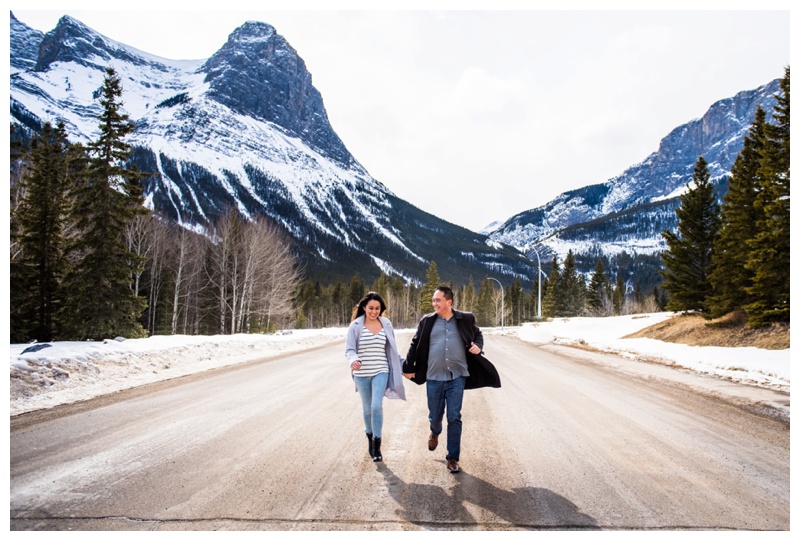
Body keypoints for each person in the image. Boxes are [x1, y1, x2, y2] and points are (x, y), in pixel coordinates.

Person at [403, 285, 500, 473]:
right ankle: (435, 431)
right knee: (435, 415)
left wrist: (478, 346)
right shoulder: (427, 321)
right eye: (433, 300)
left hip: (457, 376)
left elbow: (478, 334)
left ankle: (453, 458)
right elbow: (415, 343)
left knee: (454, 416)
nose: (434, 303)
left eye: (438, 300)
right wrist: (407, 367)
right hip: (433, 377)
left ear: (449, 302)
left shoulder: (465, 318)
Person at [345, 292, 406, 462]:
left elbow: (392, 349)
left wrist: (404, 366)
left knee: (376, 406)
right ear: (364, 307)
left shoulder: (386, 324)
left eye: (377, 308)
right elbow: (349, 350)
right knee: (366, 408)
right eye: (371, 308)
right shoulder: (355, 326)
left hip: (381, 370)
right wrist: (354, 359)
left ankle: (377, 445)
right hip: (362, 374)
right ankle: (370, 439)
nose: (374, 311)